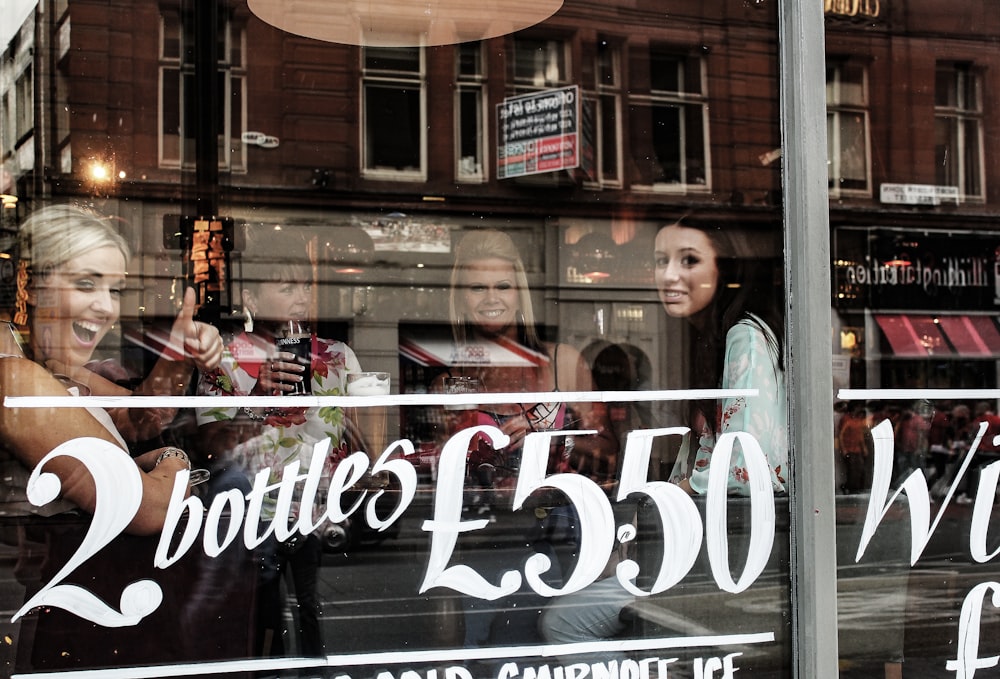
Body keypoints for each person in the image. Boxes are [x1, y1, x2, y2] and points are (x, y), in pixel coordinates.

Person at [0, 203, 228, 670]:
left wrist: (179, 354)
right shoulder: (18, 380)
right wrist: (176, 462)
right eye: (86, 283)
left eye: (115, 289)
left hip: (97, 603)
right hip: (80, 613)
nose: (106, 306)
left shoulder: (52, 369)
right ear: (29, 283)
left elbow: (138, 416)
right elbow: (145, 508)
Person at [442, 230, 618, 653]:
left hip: (563, 542)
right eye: (477, 287)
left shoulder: (562, 363)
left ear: (520, 294)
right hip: (486, 547)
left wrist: (549, 436)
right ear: (460, 297)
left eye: (503, 286)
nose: (491, 297)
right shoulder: (450, 379)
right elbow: (445, 479)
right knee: (490, 659)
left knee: (552, 655)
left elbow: (610, 453)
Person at [195, 226, 362, 657]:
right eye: (287, 286)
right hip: (252, 519)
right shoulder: (226, 359)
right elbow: (209, 448)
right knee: (261, 618)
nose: (301, 296)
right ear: (250, 299)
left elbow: (357, 442)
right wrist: (258, 397)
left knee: (312, 609)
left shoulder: (338, 356)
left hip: (317, 515)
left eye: (305, 284)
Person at [655, 218, 788, 496]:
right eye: (660, 261)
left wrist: (676, 494)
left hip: (742, 526)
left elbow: (743, 466)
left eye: (689, 260)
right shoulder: (715, 338)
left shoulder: (746, 336)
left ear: (725, 269)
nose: (668, 275)